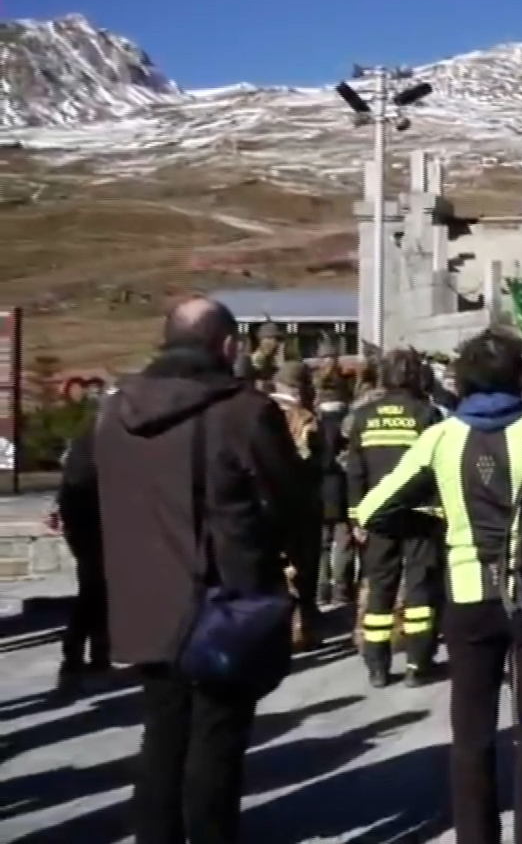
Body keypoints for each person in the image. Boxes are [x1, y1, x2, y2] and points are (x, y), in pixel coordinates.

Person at [352, 330, 522, 844]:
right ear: (516, 375)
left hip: (469, 596)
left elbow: (374, 509)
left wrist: (435, 521)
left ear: (461, 378)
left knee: (471, 736)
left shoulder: (442, 437)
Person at [97, 297, 304, 844]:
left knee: (162, 734)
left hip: (143, 600)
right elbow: (293, 501)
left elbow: (82, 491)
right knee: (217, 739)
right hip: (223, 601)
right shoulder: (244, 411)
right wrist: (290, 567)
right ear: (229, 346)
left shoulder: (114, 410)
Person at [341, 349, 443, 687]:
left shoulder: (364, 416)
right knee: (419, 589)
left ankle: (377, 667)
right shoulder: (427, 414)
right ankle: (418, 663)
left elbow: (355, 471)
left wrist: (356, 518)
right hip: (420, 515)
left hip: (377, 516)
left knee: (380, 590)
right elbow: (437, 467)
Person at [51, 392, 111, 697]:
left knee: (97, 589)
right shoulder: (100, 441)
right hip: (93, 524)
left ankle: (93, 655)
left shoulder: (87, 438)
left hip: (85, 524)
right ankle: (80, 655)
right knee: (96, 589)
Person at [267, 360, 326, 650]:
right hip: (302, 502)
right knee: (303, 566)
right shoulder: (305, 419)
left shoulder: (260, 411)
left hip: (268, 500)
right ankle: (302, 626)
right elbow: (315, 460)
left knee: (276, 565)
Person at [313, 363, 356, 610]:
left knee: (322, 543)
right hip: (345, 487)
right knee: (343, 541)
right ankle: (341, 590)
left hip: (318, 488)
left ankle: (320, 590)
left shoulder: (312, 421)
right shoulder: (349, 422)